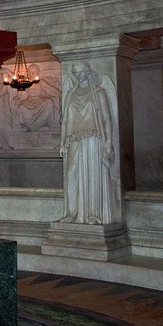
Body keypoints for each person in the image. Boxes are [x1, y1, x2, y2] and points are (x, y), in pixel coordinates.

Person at [59, 62, 116, 224]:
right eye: (76, 73)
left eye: (81, 72)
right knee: (71, 174)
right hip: (74, 140)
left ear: (88, 72)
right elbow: (64, 121)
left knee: (92, 175)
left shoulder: (99, 92)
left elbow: (106, 118)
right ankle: (72, 213)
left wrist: (109, 141)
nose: (79, 75)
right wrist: (62, 143)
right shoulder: (70, 93)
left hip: (93, 138)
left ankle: (93, 214)